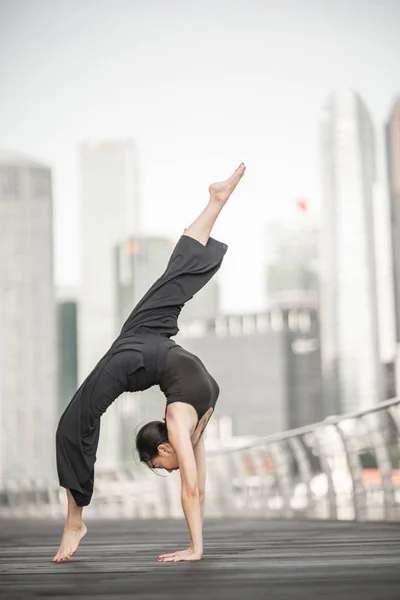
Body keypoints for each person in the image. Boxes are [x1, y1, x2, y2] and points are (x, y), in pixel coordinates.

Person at [52, 163, 246, 563]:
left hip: (139, 350)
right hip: (154, 342)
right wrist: (197, 545)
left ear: (163, 446)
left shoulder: (182, 421)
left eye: (160, 465)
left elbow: (193, 488)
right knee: (173, 281)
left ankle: (75, 520)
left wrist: (195, 549)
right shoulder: (191, 424)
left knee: (74, 422)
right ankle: (214, 203)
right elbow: (198, 486)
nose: (169, 469)